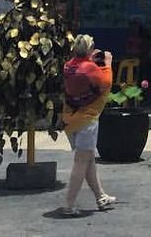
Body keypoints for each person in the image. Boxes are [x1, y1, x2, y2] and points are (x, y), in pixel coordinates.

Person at [56, 35, 115, 218]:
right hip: (86, 120)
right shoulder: (90, 67)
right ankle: (69, 204)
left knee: (88, 160)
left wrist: (91, 58)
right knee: (81, 163)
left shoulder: (68, 66)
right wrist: (107, 62)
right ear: (90, 50)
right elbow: (106, 83)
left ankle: (101, 197)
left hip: (70, 119)